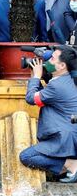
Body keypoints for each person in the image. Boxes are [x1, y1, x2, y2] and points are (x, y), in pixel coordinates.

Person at [20, 47, 77, 183]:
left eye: (52, 59)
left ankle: (71, 165)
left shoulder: (57, 86)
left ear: (62, 66)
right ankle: (67, 166)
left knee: (27, 156)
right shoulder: (63, 80)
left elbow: (31, 99)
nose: (48, 61)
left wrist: (36, 76)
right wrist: (35, 77)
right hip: (68, 133)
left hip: (66, 138)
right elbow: (42, 99)